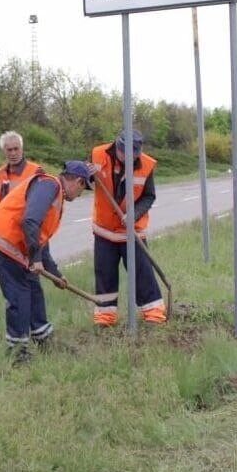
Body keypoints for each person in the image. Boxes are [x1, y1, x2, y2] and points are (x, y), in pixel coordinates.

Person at [0, 160, 93, 364]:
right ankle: (18, 352)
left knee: (33, 289)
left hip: (14, 246)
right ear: (79, 181)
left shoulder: (55, 193)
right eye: (83, 189)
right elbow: (30, 221)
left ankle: (43, 339)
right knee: (19, 295)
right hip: (3, 242)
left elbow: (39, 239)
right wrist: (35, 259)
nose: (81, 195)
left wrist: (55, 274)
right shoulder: (50, 185)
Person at [89, 130, 166, 326]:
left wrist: (134, 214)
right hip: (105, 230)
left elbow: (149, 196)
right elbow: (86, 181)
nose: (130, 158)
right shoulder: (98, 154)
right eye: (126, 153)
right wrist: (87, 176)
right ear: (118, 147)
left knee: (142, 272)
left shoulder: (146, 165)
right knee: (105, 274)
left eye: (134, 154)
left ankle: (154, 313)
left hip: (132, 231)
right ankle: (105, 317)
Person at [0, 130, 45, 206]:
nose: (13, 153)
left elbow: (42, 202)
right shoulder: (0, 173)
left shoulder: (36, 171)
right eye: (9, 150)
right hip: (1, 217)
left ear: (22, 149)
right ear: (4, 151)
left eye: (16, 149)